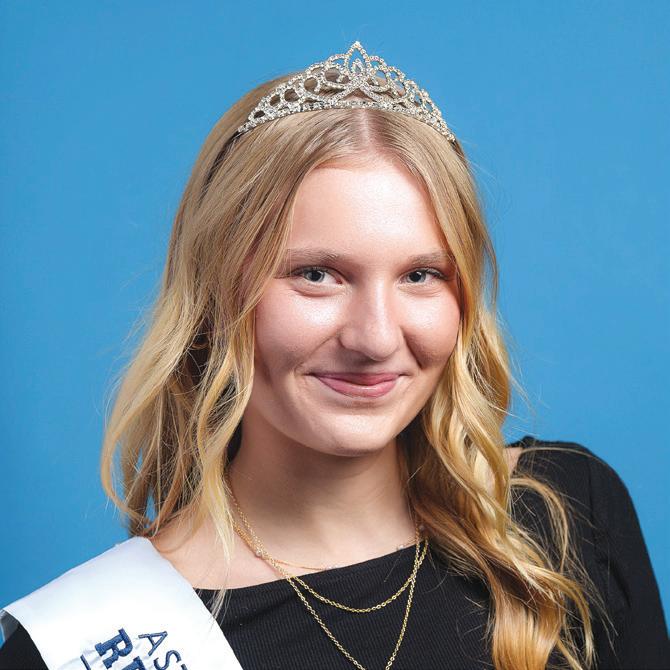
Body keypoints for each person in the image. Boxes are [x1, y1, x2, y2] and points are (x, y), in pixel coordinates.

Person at [1, 40, 668, 670]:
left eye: (420, 275)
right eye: (317, 274)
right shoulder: (91, 642)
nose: (375, 338)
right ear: (215, 296)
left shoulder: (568, 516)